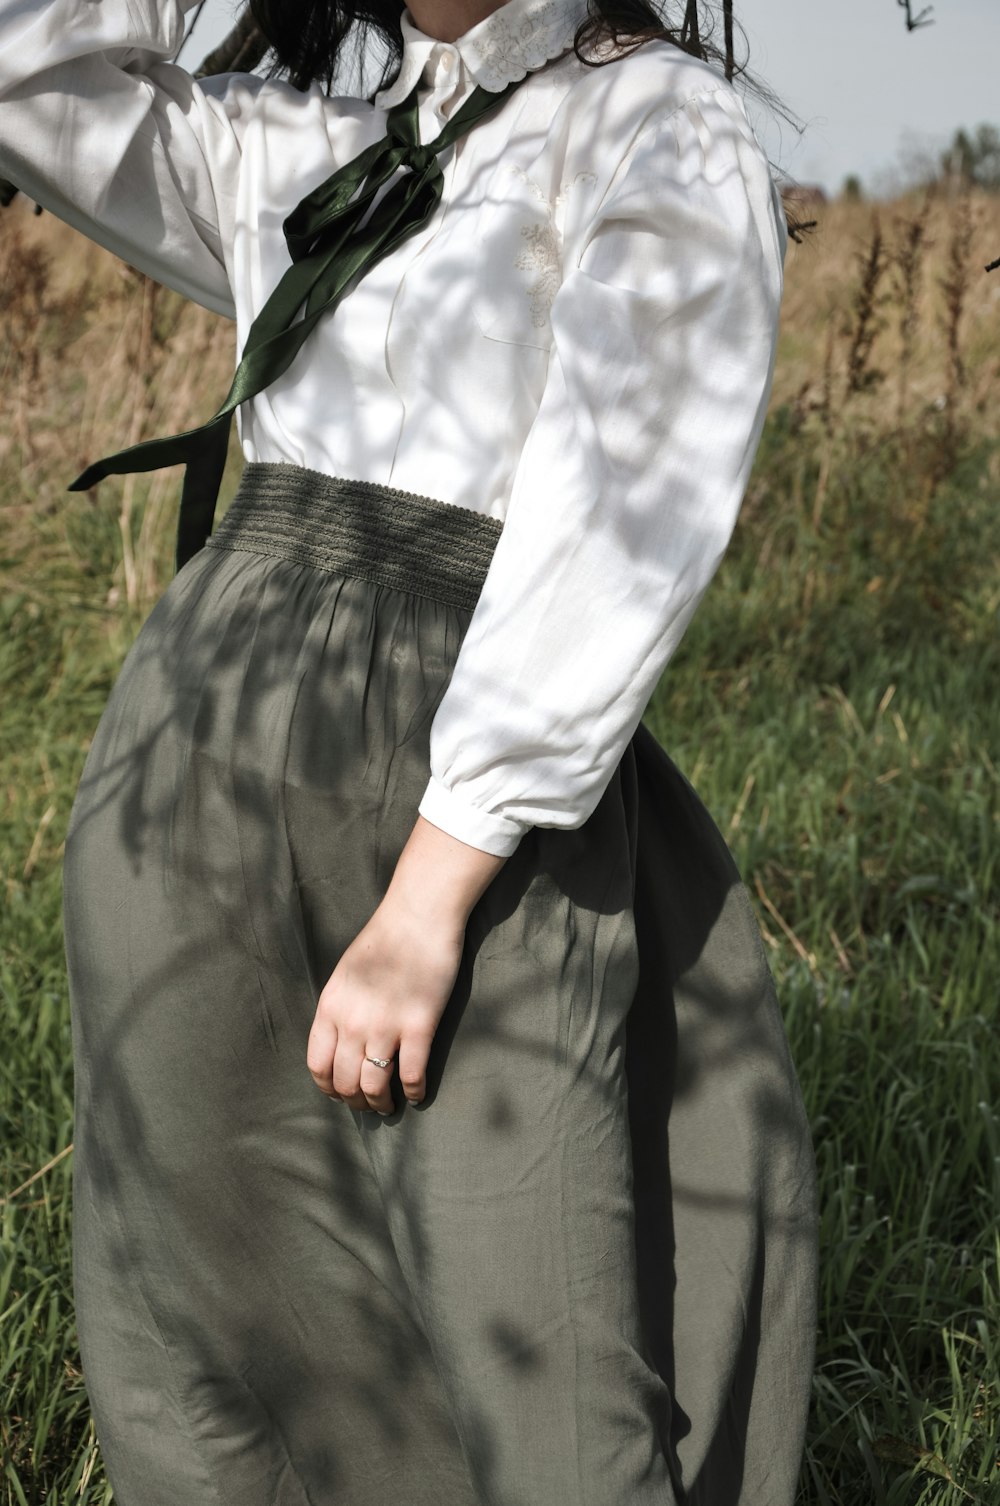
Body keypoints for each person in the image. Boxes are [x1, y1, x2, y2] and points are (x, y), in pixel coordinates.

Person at [0, 0, 820, 1500]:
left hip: (470, 797)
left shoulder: (658, 125)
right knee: (197, 1297)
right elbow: (26, 71)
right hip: (194, 753)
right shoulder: (307, 124)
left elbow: (621, 517)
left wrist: (434, 897)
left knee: (542, 1349)